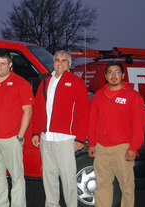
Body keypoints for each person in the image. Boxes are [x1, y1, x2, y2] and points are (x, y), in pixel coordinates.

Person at [32, 50, 89, 207]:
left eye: (64, 60)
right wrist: (36, 131)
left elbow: (83, 112)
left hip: (66, 139)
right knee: (49, 177)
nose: (60, 63)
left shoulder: (77, 82)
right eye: (57, 60)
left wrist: (80, 138)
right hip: (46, 138)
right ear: (53, 62)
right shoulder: (45, 82)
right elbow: (37, 109)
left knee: (68, 177)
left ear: (69, 64)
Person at [0, 50, 34, 207]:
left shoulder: (21, 83)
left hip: (11, 139)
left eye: (3, 64)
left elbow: (27, 111)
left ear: (10, 64)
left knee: (17, 178)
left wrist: (20, 136)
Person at [87, 61, 145, 207]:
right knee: (102, 187)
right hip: (101, 149)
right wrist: (92, 143)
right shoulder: (100, 95)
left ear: (123, 75)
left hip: (122, 149)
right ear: (106, 76)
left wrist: (133, 147)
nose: (114, 75)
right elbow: (93, 120)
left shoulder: (133, 96)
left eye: (117, 72)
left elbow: (139, 123)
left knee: (126, 187)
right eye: (110, 73)